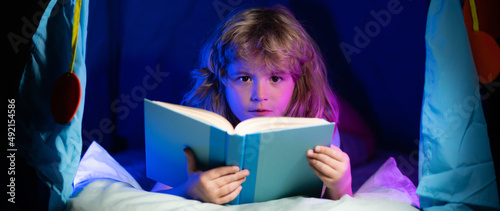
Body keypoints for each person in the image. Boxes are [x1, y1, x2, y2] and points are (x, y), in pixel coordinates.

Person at [152, 5, 353, 204]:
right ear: (222, 78)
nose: (260, 95)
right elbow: (153, 199)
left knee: (360, 143)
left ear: (297, 81)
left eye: (275, 78)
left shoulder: (318, 129)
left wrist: (342, 184)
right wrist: (189, 191)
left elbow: (335, 201)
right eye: (244, 78)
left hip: (345, 133)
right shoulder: (195, 129)